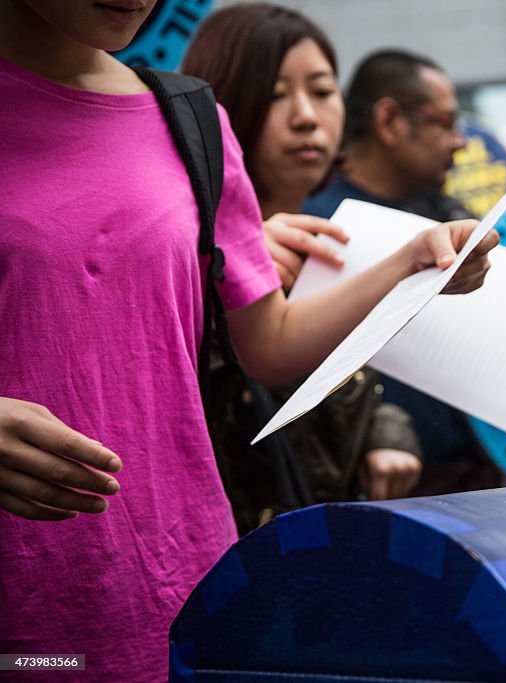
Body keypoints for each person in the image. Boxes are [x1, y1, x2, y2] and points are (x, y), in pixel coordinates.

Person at [0, 1, 496, 680]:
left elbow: (270, 341)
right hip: (26, 614)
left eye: (322, 91)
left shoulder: (188, 120)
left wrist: (416, 264)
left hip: (189, 585)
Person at [180, 5, 423, 535]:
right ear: (215, 106)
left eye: (321, 89)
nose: (306, 116)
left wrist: (386, 429)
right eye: (274, 94)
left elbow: (348, 382)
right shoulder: (184, 249)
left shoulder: (336, 235)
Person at [306, 49, 502, 495]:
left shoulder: (447, 213)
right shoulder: (318, 225)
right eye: (445, 122)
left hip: (481, 475)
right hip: (378, 485)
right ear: (390, 121)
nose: (460, 141)